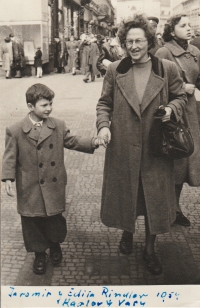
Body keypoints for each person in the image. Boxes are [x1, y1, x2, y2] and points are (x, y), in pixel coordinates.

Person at [96, 14, 187, 275]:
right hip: (123, 147)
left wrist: (171, 108)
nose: (133, 47)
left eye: (139, 41)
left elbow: (181, 96)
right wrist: (103, 125)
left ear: (149, 41)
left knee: (153, 200)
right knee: (128, 194)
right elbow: (104, 103)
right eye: (128, 41)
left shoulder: (165, 68)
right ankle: (127, 231)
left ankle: (149, 248)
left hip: (155, 149)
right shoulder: (115, 69)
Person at [2, 83, 100, 275]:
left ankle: (55, 245)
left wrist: (93, 142)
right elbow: (9, 157)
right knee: (32, 222)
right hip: (29, 186)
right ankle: (39, 253)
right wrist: (8, 179)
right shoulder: (15, 130)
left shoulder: (58, 125)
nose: (49, 108)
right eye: (44, 105)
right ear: (31, 107)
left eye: (50, 104)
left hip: (53, 184)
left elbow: (72, 141)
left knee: (54, 219)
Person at [155, 14, 200, 227]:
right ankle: (166, 209)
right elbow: (155, 84)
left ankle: (175, 207)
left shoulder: (195, 52)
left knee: (184, 161)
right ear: (172, 31)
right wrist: (183, 88)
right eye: (183, 26)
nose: (189, 28)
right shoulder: (164, 52)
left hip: (192, 113)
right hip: (171, 115)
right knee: (171, 161)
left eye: (190, 25)